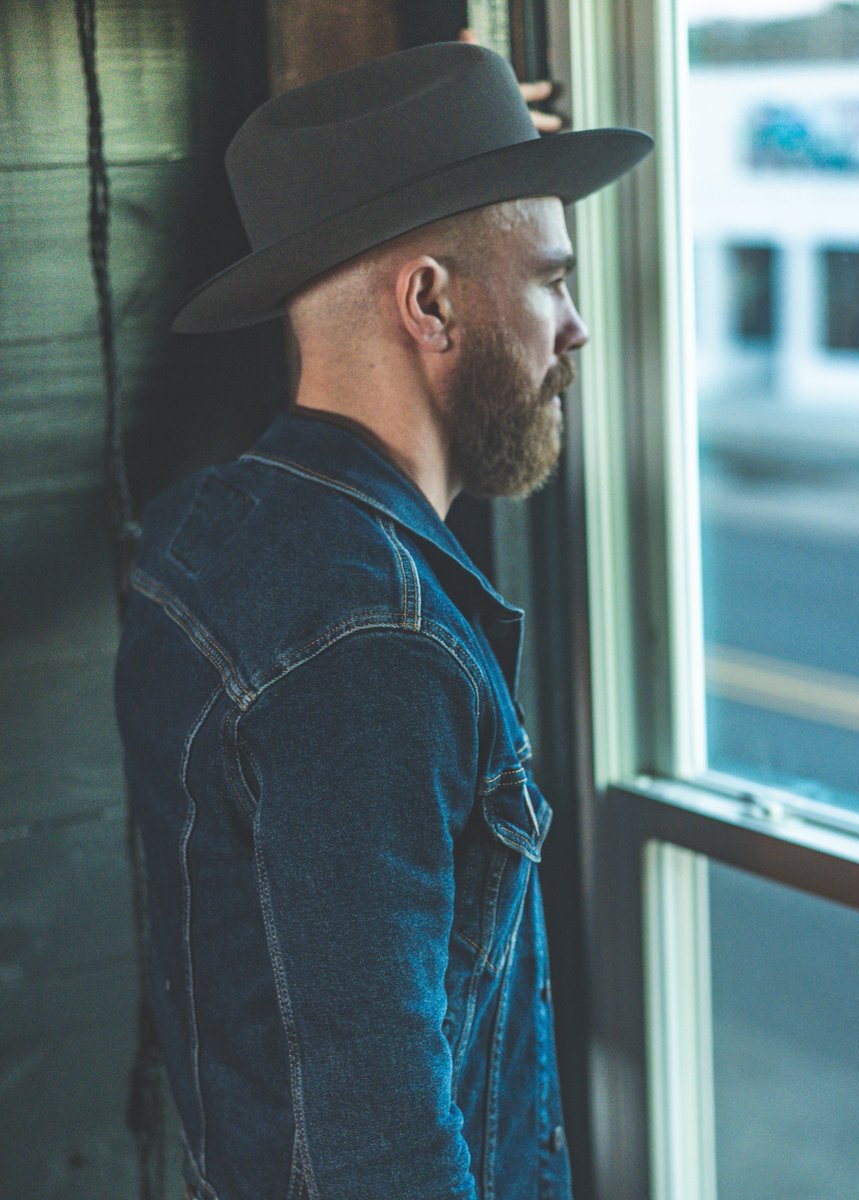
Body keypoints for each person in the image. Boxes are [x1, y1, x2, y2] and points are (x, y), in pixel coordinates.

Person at [114, 41, 651, 1200]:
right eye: (553, 278)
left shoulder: (209, 533)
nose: (575, 329)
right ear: (429, 300)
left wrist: (476, 130)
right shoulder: (376, 643)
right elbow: (381, 1148)